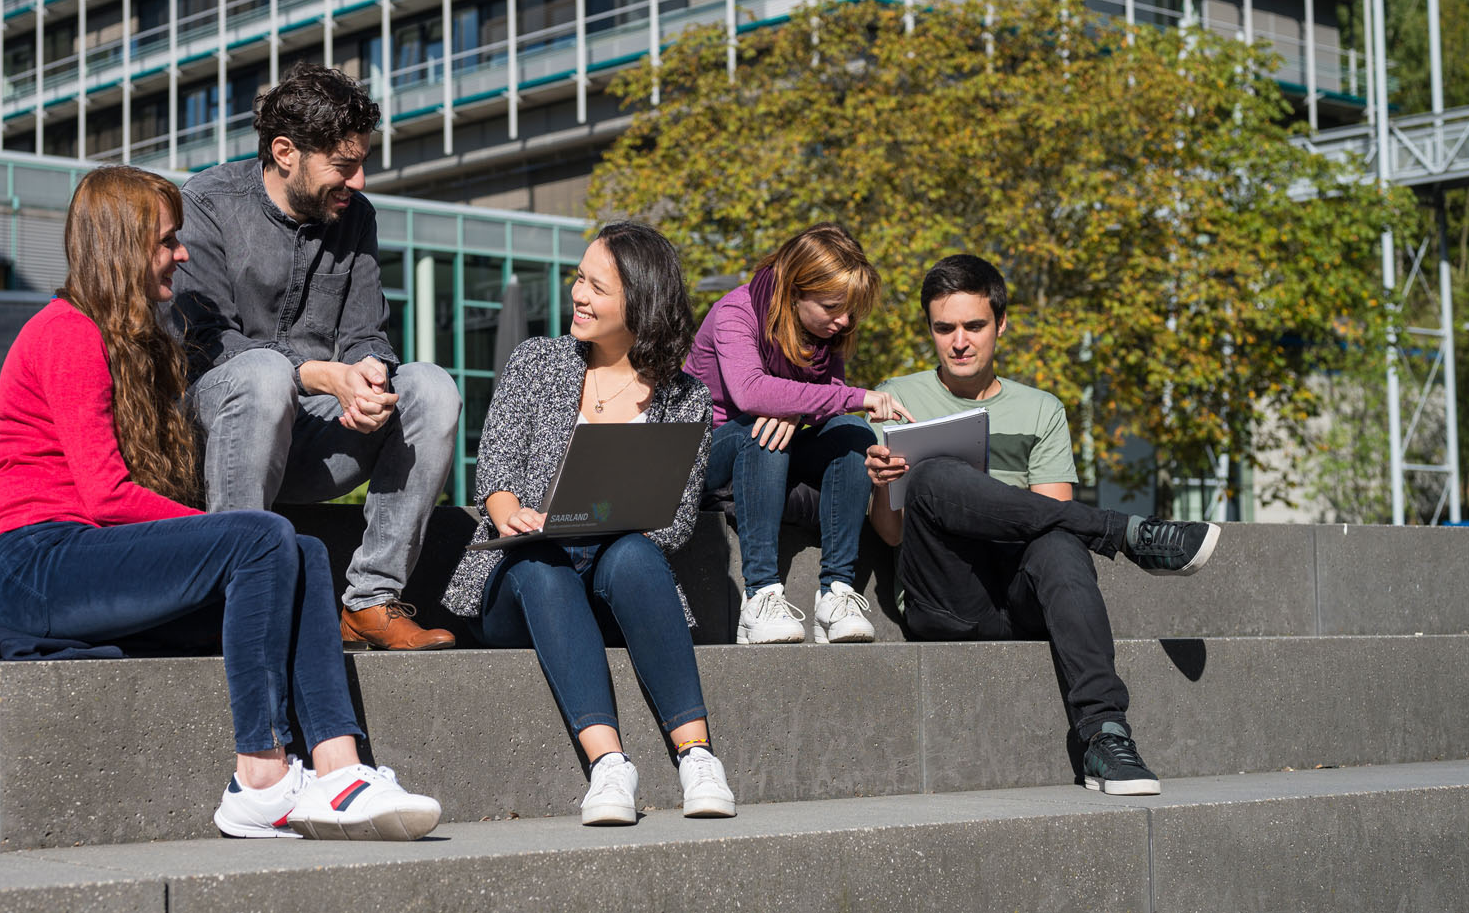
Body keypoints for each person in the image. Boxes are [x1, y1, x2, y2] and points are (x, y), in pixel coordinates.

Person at [0, 165, 442, 841]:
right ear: (124, 247)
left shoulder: (138, 345)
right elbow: (107, 496)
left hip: (89, 559)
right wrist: (236, 535)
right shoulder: (67, 332)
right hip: (38, 564)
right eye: (168, 241)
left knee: (306, 554)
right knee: (262, 539)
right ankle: (260, 776)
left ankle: (339, 770)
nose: (182, 253)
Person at [866, 254, 1222, 796]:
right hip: (945, 600)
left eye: (974, 326)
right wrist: (881, 484)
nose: (959, 341)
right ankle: (1125, 534)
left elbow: (1053, 525)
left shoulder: (1042, 411)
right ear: (930, 330)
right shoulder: (898, 397)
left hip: (1022, 596)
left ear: (1001, 324)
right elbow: (891, 535)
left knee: (1060, 543)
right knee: (936, 477)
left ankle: (1106, 737)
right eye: (944, 328)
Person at [438, 222, 737, 826]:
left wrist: (598, 523)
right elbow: (492, 472)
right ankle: (609, 766)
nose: (578, 294)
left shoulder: (686, 399)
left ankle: (698, 757)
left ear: (640, 302)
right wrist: (513, 515)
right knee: (543, 565)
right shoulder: (537, 361)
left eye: (597, 287)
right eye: (579, 279)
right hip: (523, 577)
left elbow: (675, 522)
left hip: (613, 575)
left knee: (634, 554)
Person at [173, 62, 459, 652]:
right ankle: (240, 595)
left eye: (361, 164)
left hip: (312, 439)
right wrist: (316, 373)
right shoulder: (204, 203)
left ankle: (371, 601)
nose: (358, 182)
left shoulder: (356, 218)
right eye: (343, 165)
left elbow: (365, 333)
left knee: (431, 387)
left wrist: (369, 373)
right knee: (262, 372)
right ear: (285, 151)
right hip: (215, 437)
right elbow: (203, 343)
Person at [683, 223, 910, 644]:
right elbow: (751, 391)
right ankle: (760, 596)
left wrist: (796, 409)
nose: (843, 321)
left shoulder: (826, 333)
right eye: (831, 307)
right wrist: (807, 404)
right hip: (707, 453)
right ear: (794, 289)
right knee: (763, 428)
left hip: (772, 450)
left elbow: (825, 402)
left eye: (851, 311)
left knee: (853, 432)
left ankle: (836, 595)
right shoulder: (736, 312)